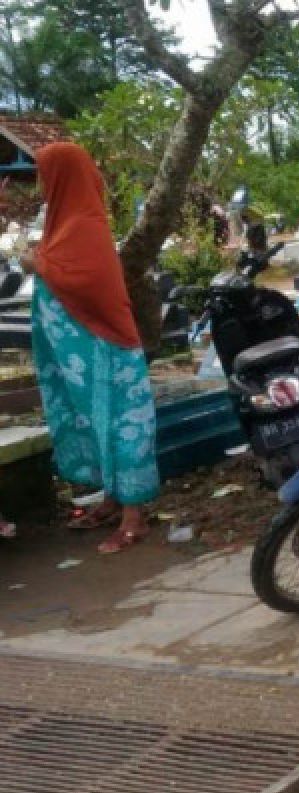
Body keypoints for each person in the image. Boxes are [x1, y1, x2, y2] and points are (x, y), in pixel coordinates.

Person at [19, 143, 159, 554]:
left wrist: (39, 263)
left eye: (47, 175)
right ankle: (112, 501)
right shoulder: (61, 223)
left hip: (106, 351)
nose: (43, 185)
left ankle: (135, 516)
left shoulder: (85, 223)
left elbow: (88, 282)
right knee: (91, 421)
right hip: (78, 356)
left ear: (64, 176)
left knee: (118, 422)